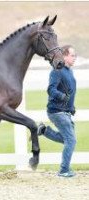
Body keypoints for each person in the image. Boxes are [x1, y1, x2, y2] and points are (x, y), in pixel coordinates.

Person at [37, 45, 77, 177]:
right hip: (57, 111)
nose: (74, 57)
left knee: (67, 139)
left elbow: (69, 91)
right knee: (71, 140)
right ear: (64, 56)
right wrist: (61, 96)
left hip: (66, 111)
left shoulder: (69, 71)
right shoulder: (57, 71)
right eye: (72, 55)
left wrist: (71, 107)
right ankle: (64, 170)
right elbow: (51, 89)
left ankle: (44, 130)